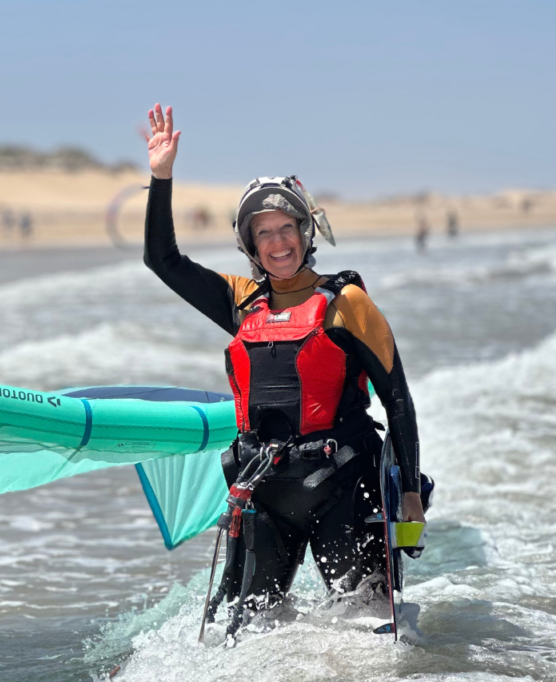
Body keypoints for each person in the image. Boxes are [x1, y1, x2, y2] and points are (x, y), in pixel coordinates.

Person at [141, 104, 425, 638]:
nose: (277, 243)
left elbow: (398, 399)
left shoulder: (348, 303)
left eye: (286, 228)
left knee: (369, 640)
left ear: (305, 229)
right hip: (265, 495)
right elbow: (162, 259)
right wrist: (161, 176)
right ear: (250, 244)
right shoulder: (241, 301)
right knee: (244, 638)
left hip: (344, 487)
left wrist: (409, 491)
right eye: (263, 233)